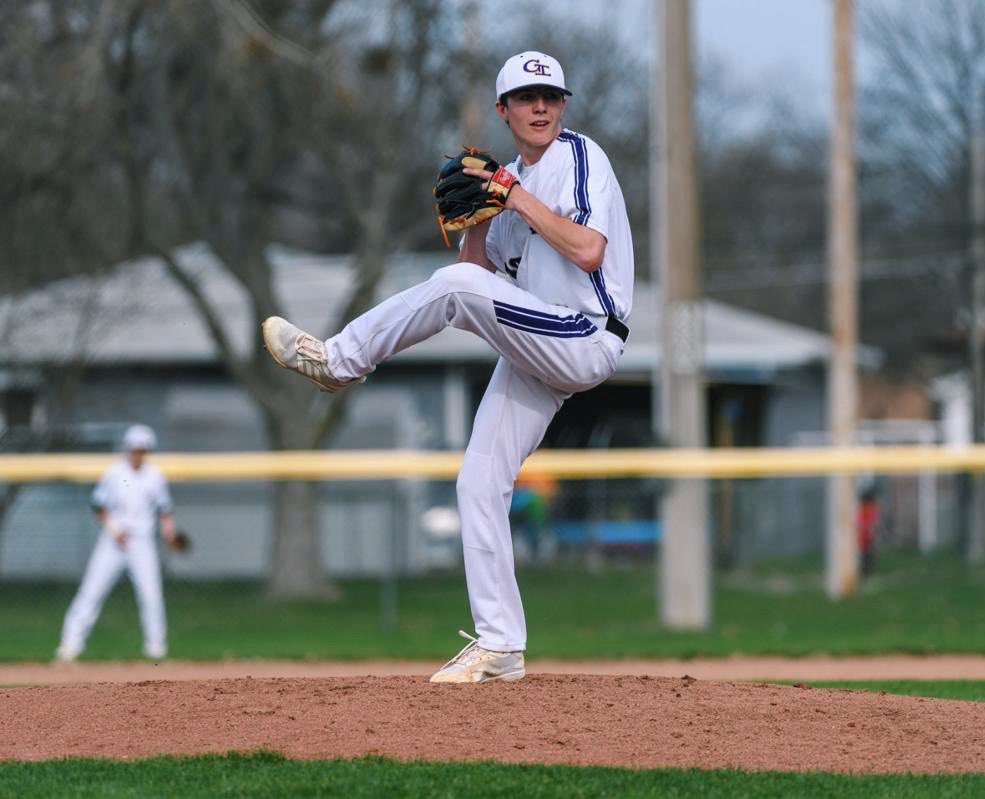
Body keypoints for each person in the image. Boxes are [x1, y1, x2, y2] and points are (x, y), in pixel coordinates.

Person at [262, 50, 634, 682]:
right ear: (504, 110)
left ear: (563, 106)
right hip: (540, 346)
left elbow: (590, 252)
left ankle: (339, 360)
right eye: (525, 98)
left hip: (586, 335)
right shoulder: (508, 179)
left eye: (550, 97)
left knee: (453, 286)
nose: (540, 107)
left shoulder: (579, 158)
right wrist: (478, 218)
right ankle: (500, 646)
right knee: (478, 481)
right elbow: (480, 272)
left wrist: (513, 198)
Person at [55, 424, 180, 662]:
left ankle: (156, 649)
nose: (138, 454)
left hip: (142, 541)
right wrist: (114, 530)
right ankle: (69, 646)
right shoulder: (114, 473)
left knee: (151, 595)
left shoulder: (155, 476)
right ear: (128, 449)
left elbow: (164, 510)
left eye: (143, 450)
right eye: (135, 449)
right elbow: (98, 506)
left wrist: (169, 533)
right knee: (91, 591)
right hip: (113, 540)